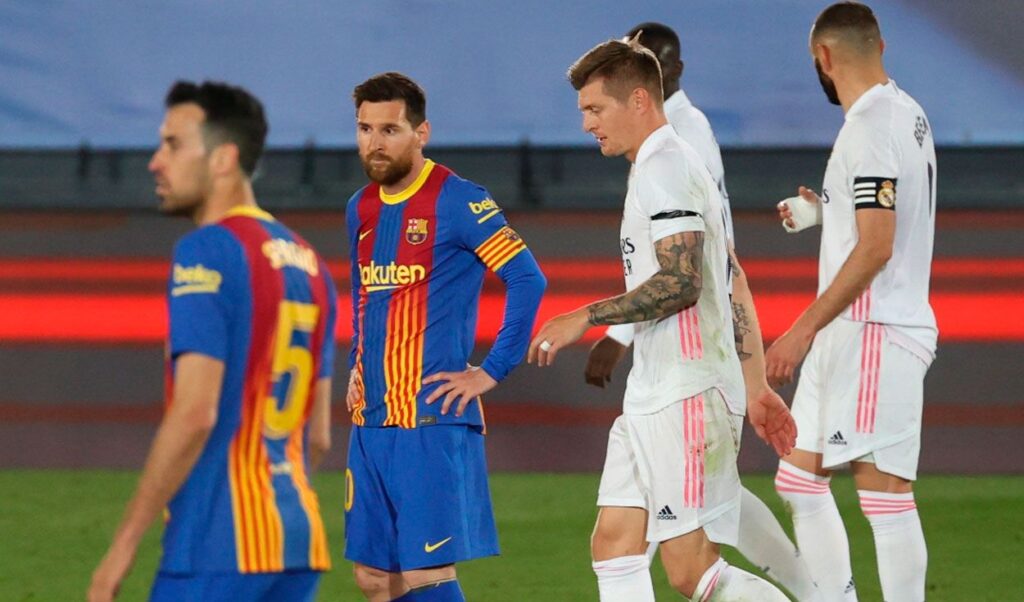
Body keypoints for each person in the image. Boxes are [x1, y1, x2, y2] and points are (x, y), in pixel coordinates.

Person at [529, 38, 795, 601]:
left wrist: (586, 316)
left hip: (686, 393)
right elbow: (732, 276)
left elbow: (682, 282)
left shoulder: (666, 166)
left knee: (691, 571)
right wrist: (754, 384)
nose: (587, 124)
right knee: (615, 543)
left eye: (595, 109)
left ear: (639, 100)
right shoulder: (660, 163)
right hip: (657, 388)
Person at [88, 81, 337, 602]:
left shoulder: (207, 251)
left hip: (216, 545)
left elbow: (195, 413)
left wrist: (123, 545)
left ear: (223, 159)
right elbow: (317, 437)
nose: (156, 162)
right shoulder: (311, 264)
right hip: (296, 542)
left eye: (173, 144)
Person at [342, 72, 546, 602]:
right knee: (374, 578)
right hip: (372, 420)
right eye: (365, 129)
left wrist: (492, 370)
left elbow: (527, 278)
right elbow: (365, 295)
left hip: (430, 420)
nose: (374, 143)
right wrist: (356, 366)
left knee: (425, 574)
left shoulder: (457, 200)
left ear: (421, 132)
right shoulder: (361, 207)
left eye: (389, 130)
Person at [766, 3, 936, 601]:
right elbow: (884, 214)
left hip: (873, 329)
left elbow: (877, 247)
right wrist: (828, 212)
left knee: (884, 496)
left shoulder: (869, 128)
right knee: (798, 481)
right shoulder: (905, 111)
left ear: (823, 57)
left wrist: (801, 330)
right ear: (880, 46)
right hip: (856, 330)